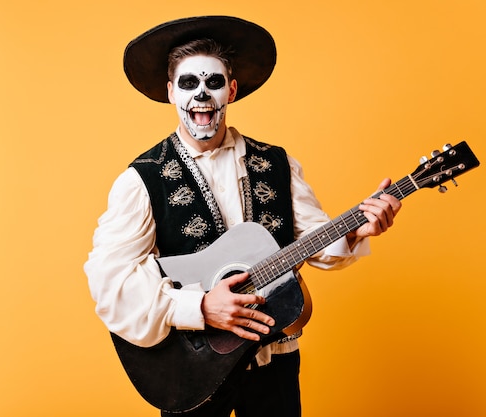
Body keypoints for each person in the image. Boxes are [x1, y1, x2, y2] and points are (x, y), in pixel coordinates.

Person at [84, 16, 402, 417]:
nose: (202, 94)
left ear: (231, 90)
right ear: (170, 93)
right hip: (192, 368)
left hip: (274, 362)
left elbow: (315, 239)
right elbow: (111, 281)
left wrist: (359, 229)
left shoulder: (276, 162)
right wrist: (197, 307)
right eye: (188, 83)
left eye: (213, 82)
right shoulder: (141, 179)